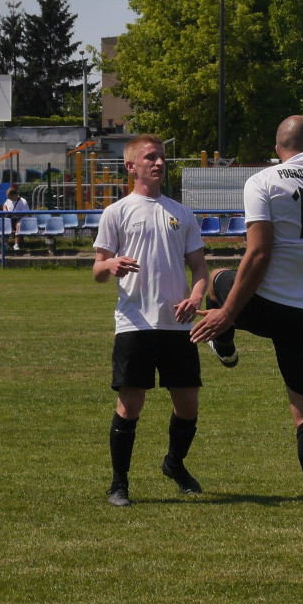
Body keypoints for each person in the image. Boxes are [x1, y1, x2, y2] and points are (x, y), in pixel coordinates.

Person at [190, 116, 303, 565]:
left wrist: (227, 313)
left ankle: (226, 343)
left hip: (264, 305)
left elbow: (260, 251)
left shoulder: (263, 180)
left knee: (217, 278)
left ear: (279, 146)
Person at [92, 134, 210, 507]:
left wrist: (195, 296)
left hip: (177, 323)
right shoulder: (117, 212)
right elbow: (97, 269)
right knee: (130, 405)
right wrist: (110, 264)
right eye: (150, 158)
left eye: (161, 158)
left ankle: (174, 463)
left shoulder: (182, 212)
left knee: (188, 405)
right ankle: (119, 484)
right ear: (131, 166)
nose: (158, 163)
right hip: (135, 323)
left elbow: (200, 268)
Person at [1, 186, 29, 251]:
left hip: (20, 219)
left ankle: (16, 244)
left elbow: (25, 213)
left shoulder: (23, 201)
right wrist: (5, 210)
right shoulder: (8, 200)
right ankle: (6, 244)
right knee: (4, 224)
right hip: (10, 219)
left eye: (9, 197)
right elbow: (4, 205)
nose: (8, 198)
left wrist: (14, 214)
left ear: (14, 195)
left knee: (18, 225)